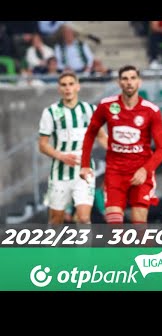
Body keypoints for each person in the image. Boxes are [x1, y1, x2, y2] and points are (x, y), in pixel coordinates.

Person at [80, 65, 162, 224]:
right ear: (119, 82)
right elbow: (91, 133)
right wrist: (85, 164)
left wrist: (145, 170)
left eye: (133, 78)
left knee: (139, 223)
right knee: (114, 226)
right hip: (115, 172)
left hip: (140, 172)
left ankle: (150, 249)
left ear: (139, 82)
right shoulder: (107, 105)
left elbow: (161, 149)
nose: (129, 82)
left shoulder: (151, 110)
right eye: (125, 79)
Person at [38, 71, 108, 225]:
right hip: (60, 171)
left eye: (71, 84)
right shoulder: (51, 112)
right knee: (56, 219)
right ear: (59, 89)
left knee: (83, 218)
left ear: (77, 87)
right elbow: (42, 145)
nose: (67, 88)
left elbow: (101, 136)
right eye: (63, 85)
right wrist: (62, 156)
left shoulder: (90, 110)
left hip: (85, 170)